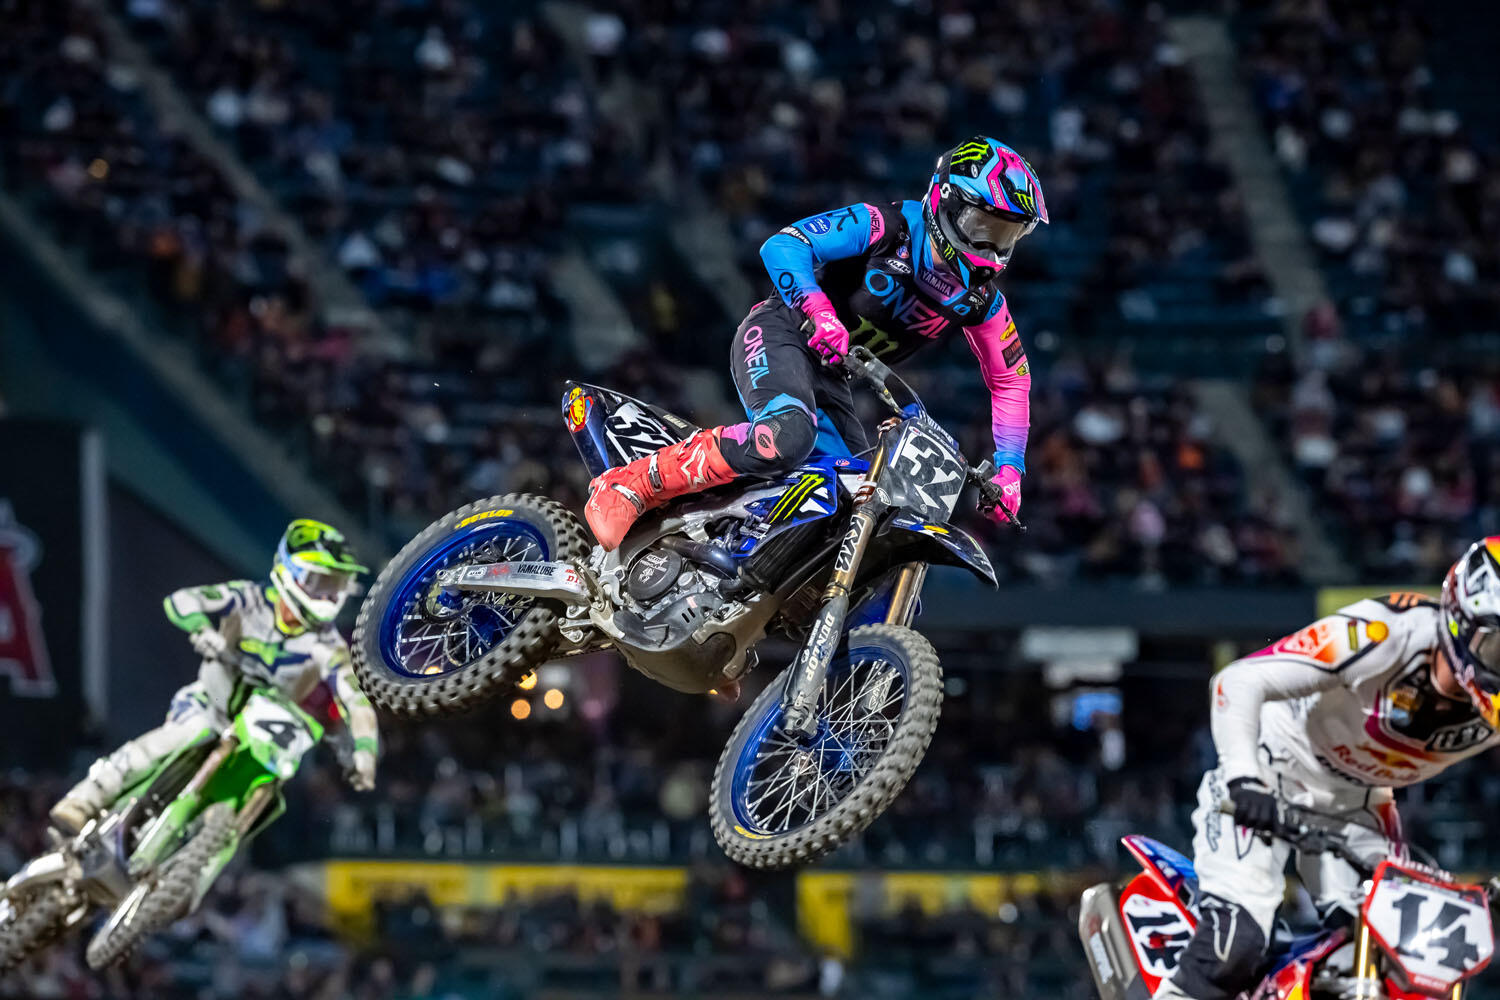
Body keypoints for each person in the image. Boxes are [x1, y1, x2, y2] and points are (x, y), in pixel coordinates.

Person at [584, 136, 1047, 550]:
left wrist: (1010, 469)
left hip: (832, 378)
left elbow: (1012, 378)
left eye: (1006, 234)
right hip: (782, 332)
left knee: (860, 507)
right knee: (786, 437)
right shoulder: (886, 225)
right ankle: (631, 483)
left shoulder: (982, 301)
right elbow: (783, 245)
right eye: (984, 226)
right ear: (947, 202)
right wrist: (819, 312)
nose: (991, 250)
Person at [1156, 537, 1500, 1000]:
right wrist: (1244, 781)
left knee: (1407, 954)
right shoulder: (1383, 633)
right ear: (1461, 621)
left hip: (1359, 805)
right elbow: (1238, 680)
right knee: (1233, 945)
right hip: (1270, 774)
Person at [50, 519, 381, 833]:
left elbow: (356, 699)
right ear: (290, 572)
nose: (328, 596)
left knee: (267, 791)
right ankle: (87, 796)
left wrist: (365, 750)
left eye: (337, 585)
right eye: (321, 582)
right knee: (187, 732)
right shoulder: (249, 598)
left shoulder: (329, 646)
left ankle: (197, 861)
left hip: (262, 736)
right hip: (210, 705)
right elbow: (182, 600)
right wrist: (200, 628)